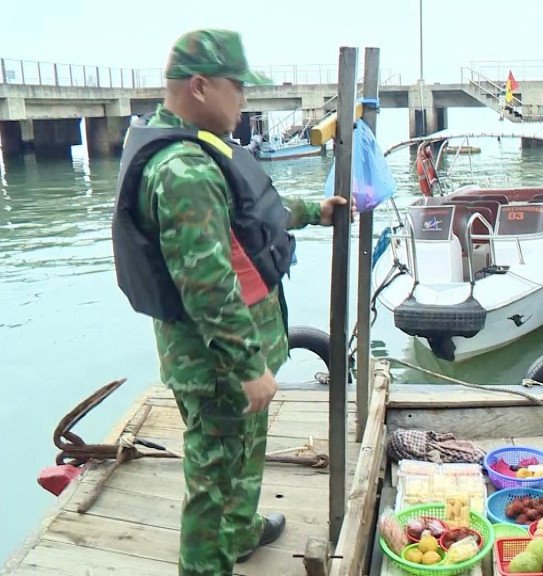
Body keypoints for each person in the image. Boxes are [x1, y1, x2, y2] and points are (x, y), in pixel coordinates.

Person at [110, 29, 348, 576]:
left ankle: (241, 532)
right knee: (213, 478)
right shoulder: (182, 171)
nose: (245, 100)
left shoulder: (200, 149)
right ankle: (205, 563)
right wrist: (247, 365)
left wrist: (316, 210)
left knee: (245, 454)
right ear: (199, 86)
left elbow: (249, 216)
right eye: (237, 88)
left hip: (241, 354)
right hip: (217, 365)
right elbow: (208, 283)